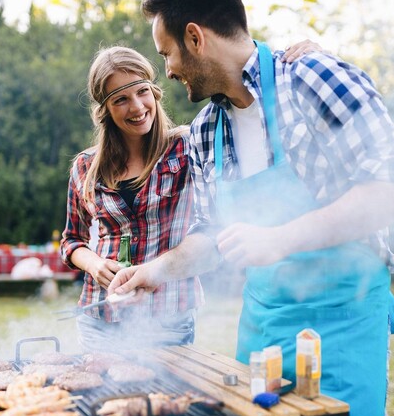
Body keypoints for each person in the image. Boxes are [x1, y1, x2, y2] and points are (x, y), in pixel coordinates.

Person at [108, 0, 394, 416]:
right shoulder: (204, 131)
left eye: (167, 54)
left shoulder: (313, 78)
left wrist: (280, 238)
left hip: (342, 326)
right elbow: (213, 236)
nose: (166, 71)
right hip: (263, 330)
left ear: (196, 38)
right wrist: (157, 270)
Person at [61, 42, 320, 352]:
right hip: (100, 315)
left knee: (163, 400)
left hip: (168, 315)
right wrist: (95, 265)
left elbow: (243, 94)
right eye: (120, 99)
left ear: (155, 92)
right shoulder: (86, 167)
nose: (136, 106)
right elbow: (71, 240)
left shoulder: (188, 145)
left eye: (142, 91)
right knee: (98, 396)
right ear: (105, 110)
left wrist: (300, 57)